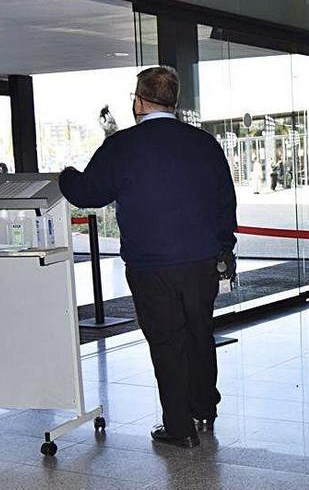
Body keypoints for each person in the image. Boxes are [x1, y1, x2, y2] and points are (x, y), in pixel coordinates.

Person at [59, 66, 237, 448]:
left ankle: (179, 427)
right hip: (201, 261)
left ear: (138, 101)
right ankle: (204, 410)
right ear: (174, 101)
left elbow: (88, 193)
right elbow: (225, 202)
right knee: (199, 333)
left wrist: (65, 175)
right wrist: (224, 247)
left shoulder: (122, 146)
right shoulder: (204, 144)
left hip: (150, 265)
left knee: (167, 341)